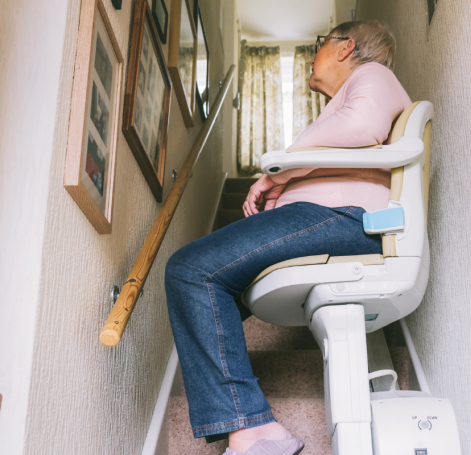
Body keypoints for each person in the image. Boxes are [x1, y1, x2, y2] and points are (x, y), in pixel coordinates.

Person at [165, 20, 412, 455]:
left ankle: (255, 429)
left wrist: (279, 169)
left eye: (320, 45)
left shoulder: (373, 75)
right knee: (207, 288)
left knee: (191, 270)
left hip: (344, 218)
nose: (313, 57)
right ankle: (251, 425)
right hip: (333, 217)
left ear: (345, 47)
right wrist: (285, 180)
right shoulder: (347, 95)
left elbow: (362, 126)